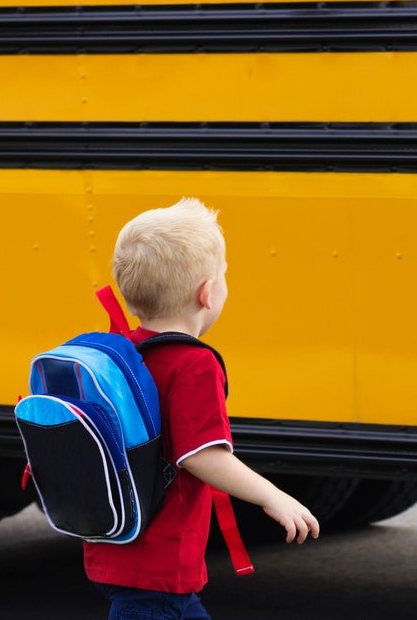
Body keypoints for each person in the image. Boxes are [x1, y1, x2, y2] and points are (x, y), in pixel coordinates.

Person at [85, 197, 320, 619]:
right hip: (158, 564)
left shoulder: (122, 354)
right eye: (224, 276)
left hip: (117, 547)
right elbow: (203, 455)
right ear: (207, 293)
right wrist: (273, 496)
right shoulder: (193, 364)